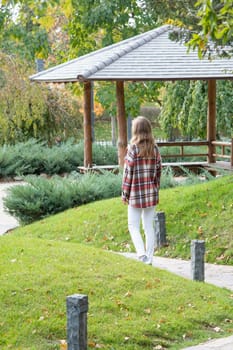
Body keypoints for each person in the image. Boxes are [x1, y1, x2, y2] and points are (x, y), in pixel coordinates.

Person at [122, 116, 162, 265]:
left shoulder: (132, 149)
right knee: (148, 226)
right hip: (151, 194)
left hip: (135, 195)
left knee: (133, 225)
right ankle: (149, 259)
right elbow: (159, 172)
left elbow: (128, 174)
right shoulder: (155, 149)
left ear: (135, 130)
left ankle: (141, 254)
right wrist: (155, 188)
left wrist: (125, 194)